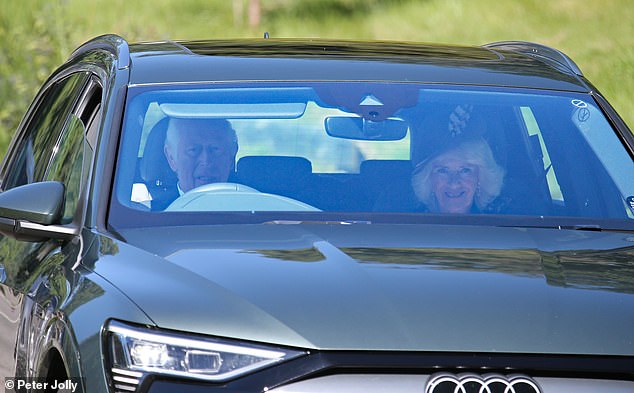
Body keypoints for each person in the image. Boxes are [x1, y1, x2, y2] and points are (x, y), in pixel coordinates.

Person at [411, 137, 504, 214]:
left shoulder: (501, 227)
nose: (453, 183)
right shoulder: (410, 227)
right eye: (442, 171)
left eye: (465, 170)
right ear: (428, 178)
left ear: (480, 177)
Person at [161, 117, 239, 199]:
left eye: (215, 149)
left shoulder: (250, 207)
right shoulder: (152, 211)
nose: (206, 161)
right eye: (193, 150)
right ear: (171, 158)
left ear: (231, 156)